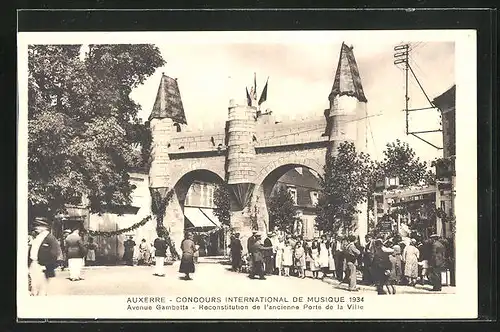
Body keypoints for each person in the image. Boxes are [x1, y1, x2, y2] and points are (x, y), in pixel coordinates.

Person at [28, 217, 61, 296]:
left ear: (44, 227)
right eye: (36, 226)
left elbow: (55, 253)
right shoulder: (38, 237)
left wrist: (48, 266)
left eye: (38, 226)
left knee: (43, 289)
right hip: (34, 264)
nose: (36, 228)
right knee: (34, 288)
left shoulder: (50, 238)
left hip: (43, 267)